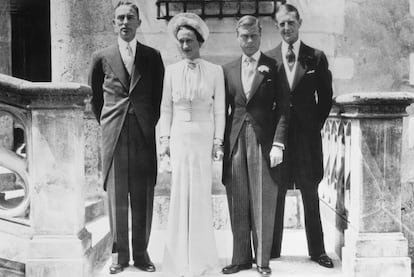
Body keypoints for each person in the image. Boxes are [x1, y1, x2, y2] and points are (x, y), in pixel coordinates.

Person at [89, 1, 164, 274]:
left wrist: (144, 121)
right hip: (115, 135)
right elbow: (96, 100)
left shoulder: (152, 56)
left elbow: (158, 98)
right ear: (113, 23)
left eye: (130, 18)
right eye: (119, 18)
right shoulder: (102, 56)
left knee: (143, 195)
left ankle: (142, 255)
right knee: (118, 197)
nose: (124, 22)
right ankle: (120, 257)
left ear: (138, 23)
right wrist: (111, 124)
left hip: (143, 134)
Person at [266, 3, 334, 268]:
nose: (286, 28)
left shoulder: (315, 57)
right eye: (281, 23)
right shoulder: (269, 59)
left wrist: (314, 124)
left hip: (307, 139)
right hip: (279, 140)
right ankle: (272, 249)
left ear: (299, 23)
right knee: (277, 192)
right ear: (276, 26)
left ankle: (317, 251)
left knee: (310, 191)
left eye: (290, 23)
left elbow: (326, 98)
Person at [221, 15, 289, 276]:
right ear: (237, 37)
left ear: (261, 36)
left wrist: (278, 144)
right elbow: (223, 110)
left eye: (253, 36)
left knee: (263, 197)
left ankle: (262, 261)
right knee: (238, 197)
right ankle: (240, 259)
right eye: (244, 36)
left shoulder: (274, 66)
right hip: (236, 137)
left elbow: (284, 109)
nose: (249, 41)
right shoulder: (227, 69)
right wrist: (220, 144)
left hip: (264, 139)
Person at [159, 13, 225, 277]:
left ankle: (201, 259)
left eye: (189, 41)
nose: (185, 46)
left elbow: (220, 110)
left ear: (200, 41)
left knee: (199, 196)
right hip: (179, 137)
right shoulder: (171, 71)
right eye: (181, 41)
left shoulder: (215, 71)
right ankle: (177, 261)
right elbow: (166, 109)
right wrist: (164, 141)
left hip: (203, 136)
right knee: (179, 195)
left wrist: (217, 141)